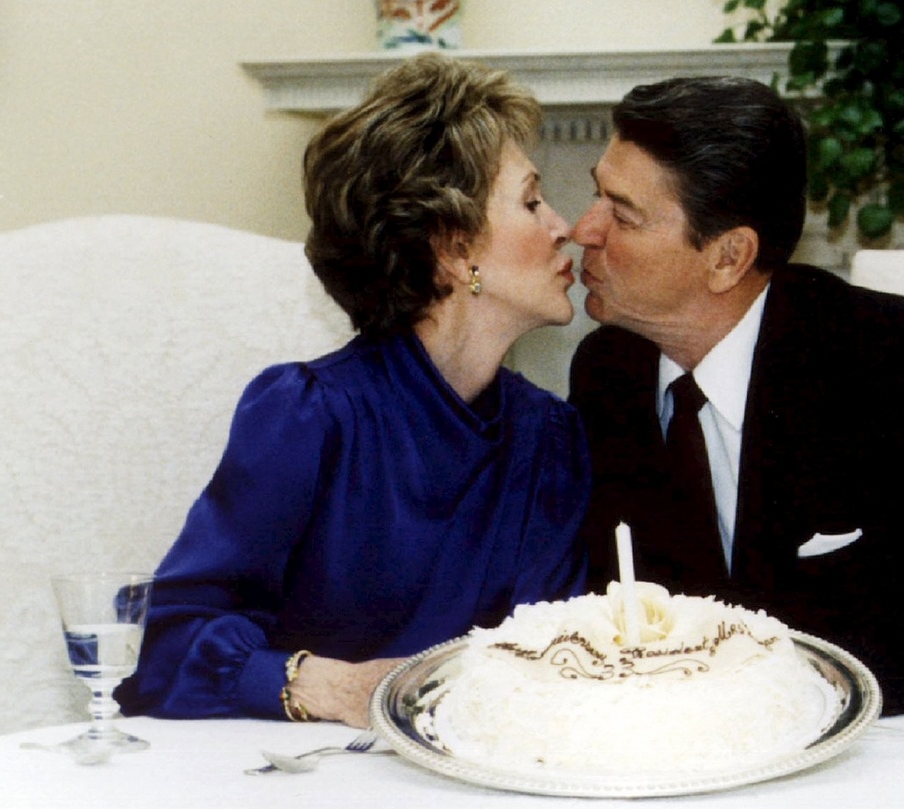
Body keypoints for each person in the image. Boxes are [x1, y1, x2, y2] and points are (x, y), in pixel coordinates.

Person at [567, 76, 904, 714]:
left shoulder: (899, 358)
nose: (584, 229)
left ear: (728, 256)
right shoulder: (609, 372)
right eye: (596, 194)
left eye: (622, 214)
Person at [117, 53, 590, 728]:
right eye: (532, 200)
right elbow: (165, 643)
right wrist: (337, 688)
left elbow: (554, 663)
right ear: (454, 249)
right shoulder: (308, 415)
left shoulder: (551, 440)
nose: (563, 226)